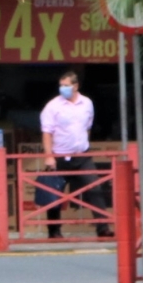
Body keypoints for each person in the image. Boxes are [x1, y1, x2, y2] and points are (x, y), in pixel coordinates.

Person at [39, 69, 110, 238]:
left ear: (76, 86)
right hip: (59, 157)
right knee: (53, 194)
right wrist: (49, 156)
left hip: (82, 156)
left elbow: (88, 127)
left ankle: (103, 228)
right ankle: (54, 231)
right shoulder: (52, 106)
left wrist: (84, 145)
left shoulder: (87, 103)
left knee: (95, 189)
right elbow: (47, 132)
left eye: (66, 85)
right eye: (61, 85)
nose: (62, 88)